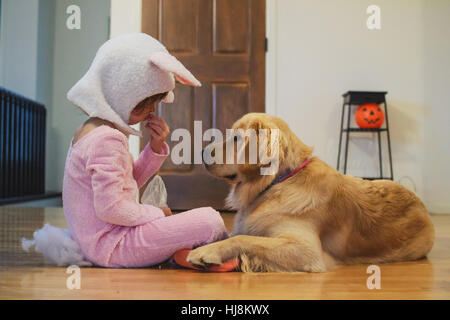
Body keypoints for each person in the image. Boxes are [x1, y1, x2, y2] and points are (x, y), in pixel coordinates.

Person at [62, 33, 228, 268]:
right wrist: (157, 213)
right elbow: (111, 209)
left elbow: (126, 183)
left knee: (191, 223)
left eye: (155, 103)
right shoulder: (106, 140)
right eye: (145, 103)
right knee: (210, 220)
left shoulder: (89, 130)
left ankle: (184, 251)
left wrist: (155, 148)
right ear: (121, 91)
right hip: (113, 245)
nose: (151, 111)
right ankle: (205, 251)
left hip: (98, 241)